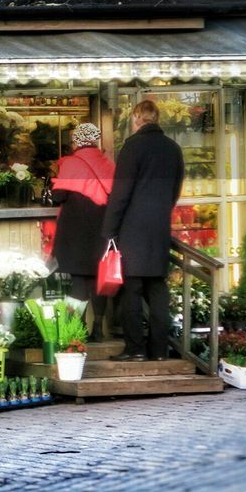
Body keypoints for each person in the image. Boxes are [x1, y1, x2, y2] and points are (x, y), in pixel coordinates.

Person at [101, 100, 184, 362]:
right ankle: (159, 351)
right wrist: (161, 213)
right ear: (157, 119)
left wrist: (109, 230)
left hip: (133, 229)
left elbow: (121, 193)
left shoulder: (132, 147)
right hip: (159, 228)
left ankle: (135, 348)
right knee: (158, 289)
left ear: (137, 119)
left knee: (132, 291)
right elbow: (175, 188)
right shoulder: (173, 149)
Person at [49, 123, 115, 341]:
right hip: (102, 230)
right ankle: (98, 327)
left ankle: (76, 329)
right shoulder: (108, 164)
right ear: (96, 141)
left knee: (78, 279)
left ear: (76, 141)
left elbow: (58, 197)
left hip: (74, 232)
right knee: (98, 278)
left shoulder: (71, 163)